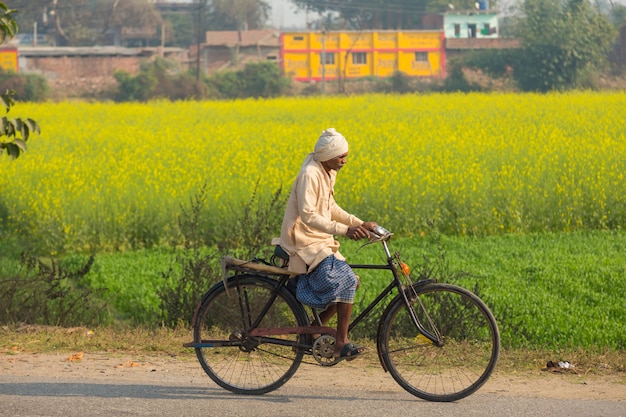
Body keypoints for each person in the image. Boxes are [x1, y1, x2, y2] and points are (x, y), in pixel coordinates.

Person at [279, 128, 377, 362]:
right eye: (341, 157)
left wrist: (360, 223)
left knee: (352, 282)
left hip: (319, 240)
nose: (344, 161)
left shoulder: (326, 171)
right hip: (302, 241)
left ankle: (313, 329)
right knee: (346, 282)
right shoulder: (310, 174)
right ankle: (341, 343)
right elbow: (309, 215)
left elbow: (330, 207)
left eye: (346, 156)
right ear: (328, 156)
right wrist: (345, 230)